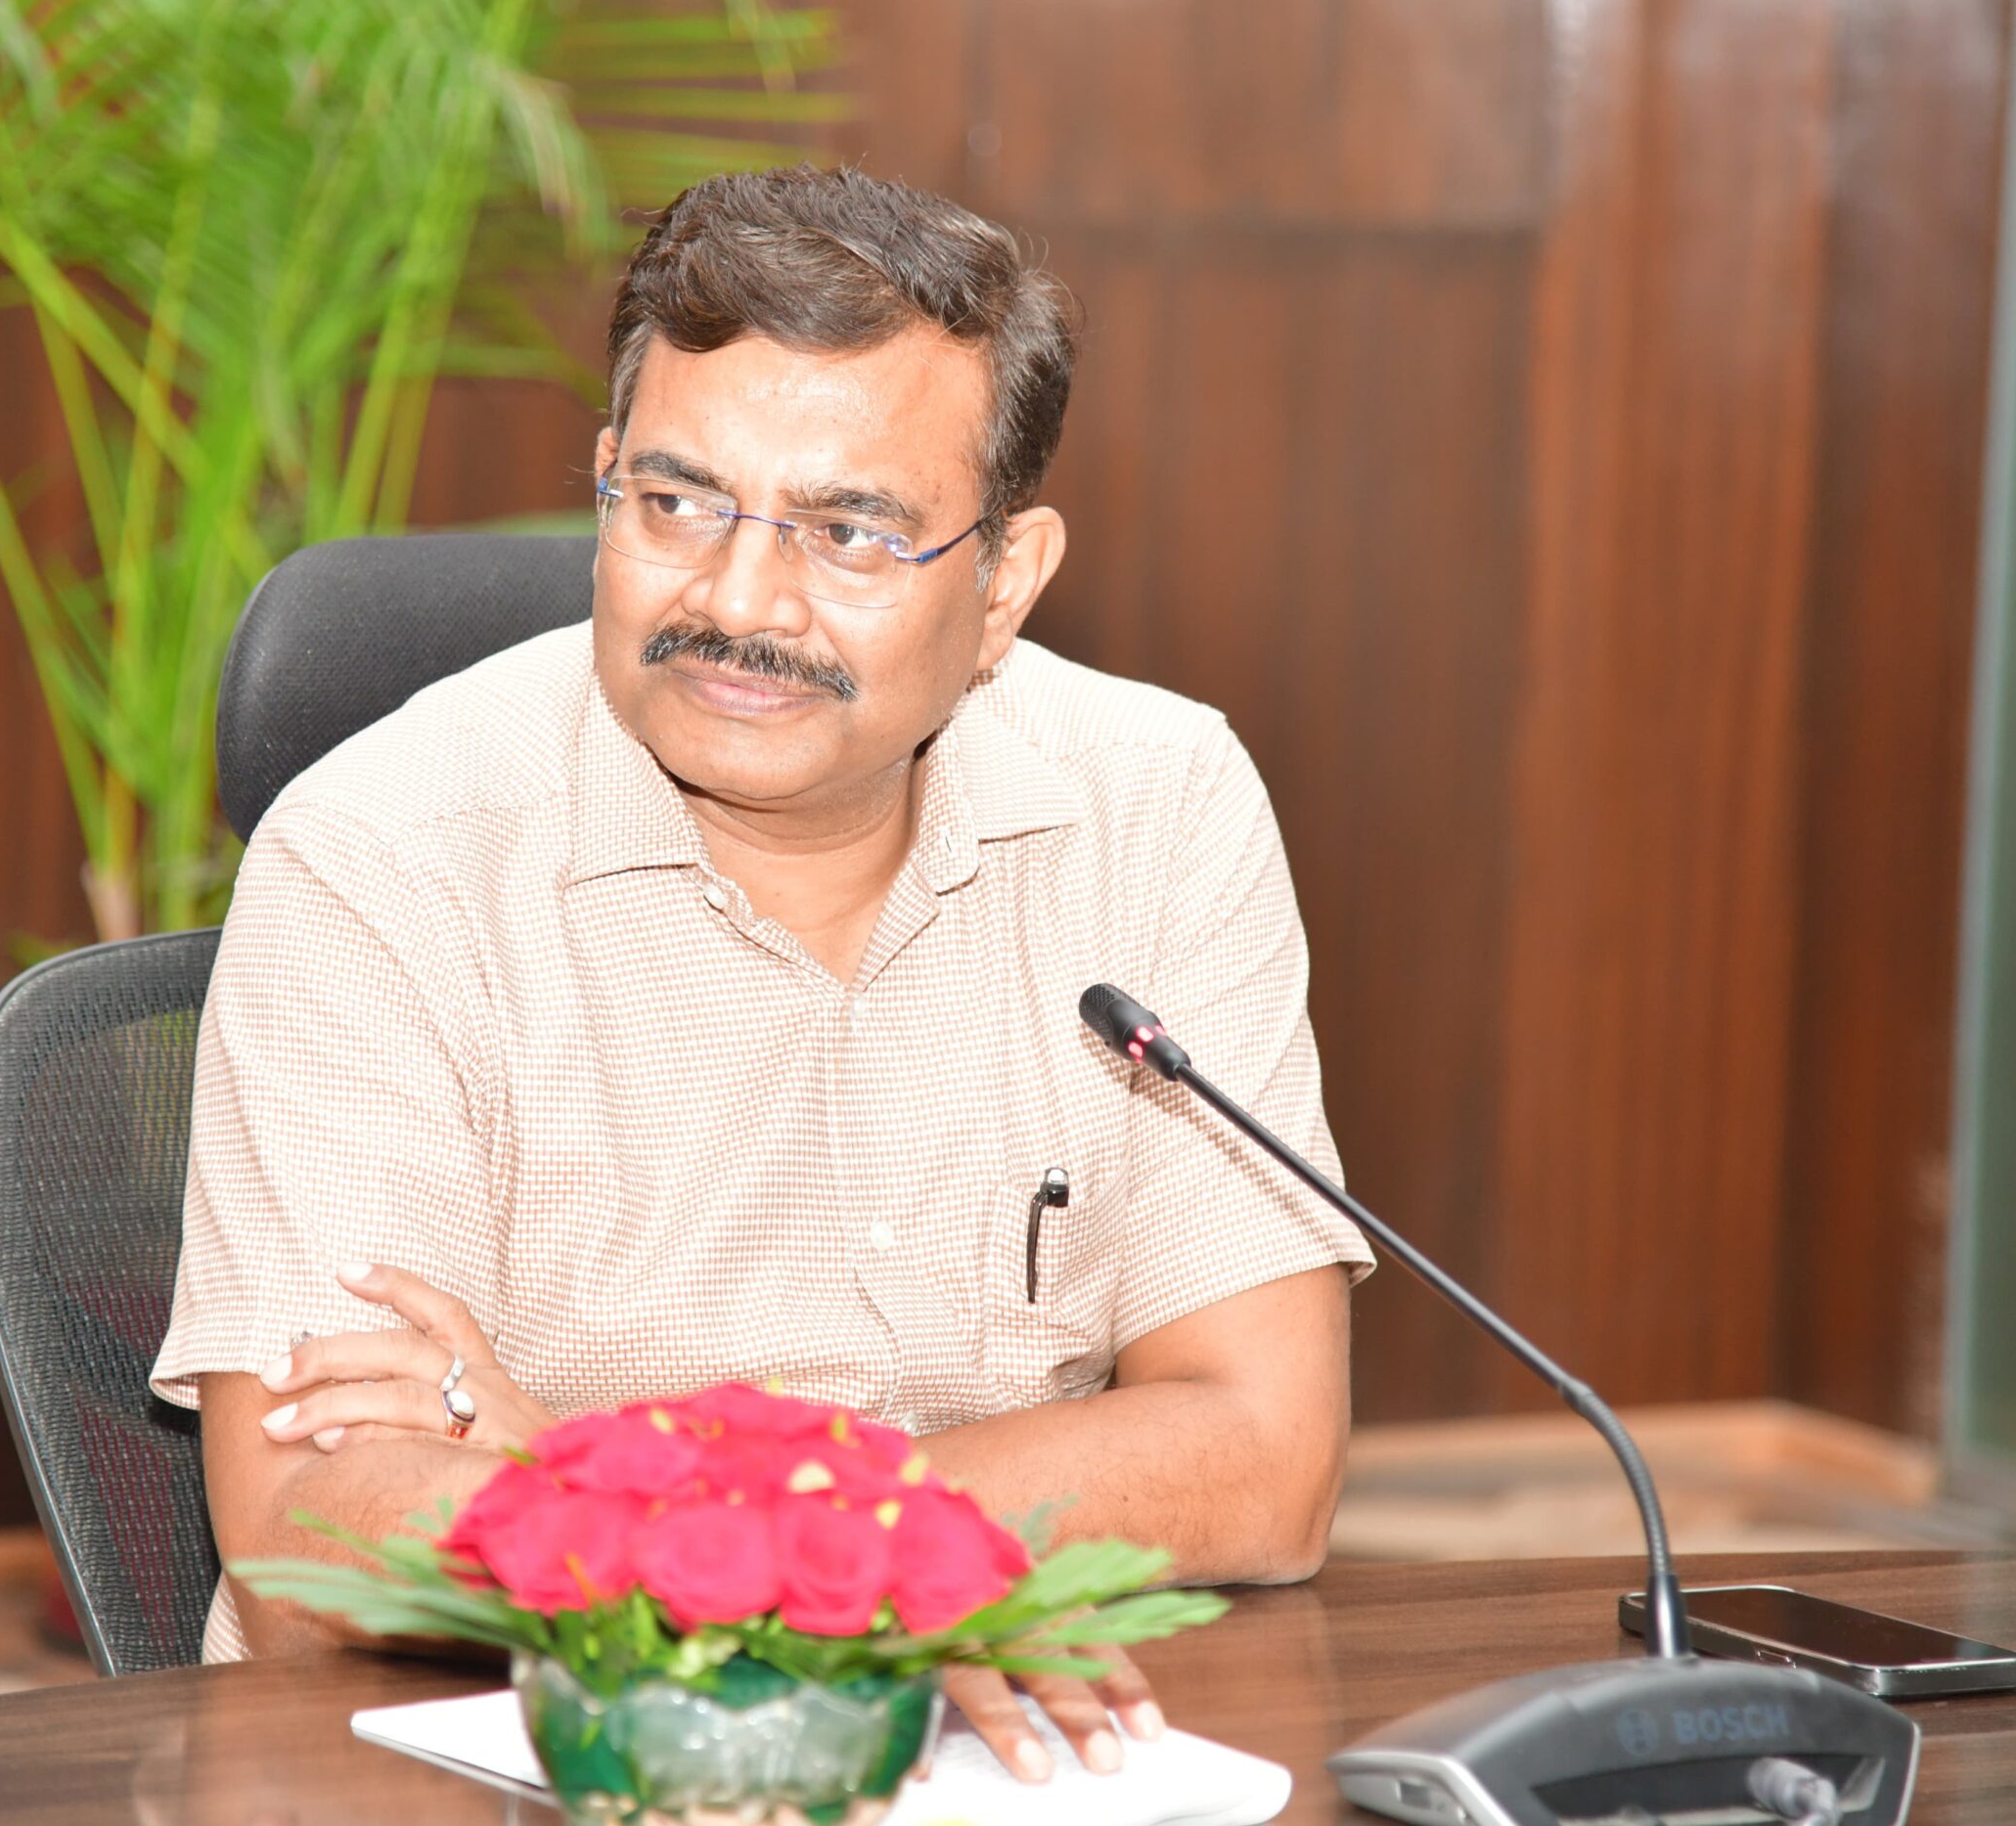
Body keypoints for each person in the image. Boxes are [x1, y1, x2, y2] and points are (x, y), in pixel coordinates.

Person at [151, 165, 1373, 1783]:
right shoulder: (384, 855)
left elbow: (1266, 1454)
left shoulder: (1160, 804)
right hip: (493, 1764)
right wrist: (851, 1555)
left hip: (998, 1755)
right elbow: (309, 1534)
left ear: (1004, 582)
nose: (737, 600)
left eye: (849, 532)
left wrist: (620, 1495)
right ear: (605, 484)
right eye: (676, 503)